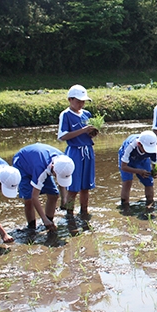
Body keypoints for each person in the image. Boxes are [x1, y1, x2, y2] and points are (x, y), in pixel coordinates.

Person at [12, 143, 75, 231]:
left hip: (39, 161)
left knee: (54, 195)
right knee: (29, 199)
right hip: (23, 164)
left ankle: (49, 222)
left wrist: (64, 198)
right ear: (53, 169)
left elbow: (62, 178)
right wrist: (43, 219)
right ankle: (31, 228)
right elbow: (35, 197)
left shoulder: (64, 161)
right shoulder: (41, 169)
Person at [57, 84, 98, 217]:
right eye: (78, 101)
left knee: (86, 186)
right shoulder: (66, 115)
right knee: (73, 186)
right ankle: (69, 213)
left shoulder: (87, 114)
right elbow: (62, 136)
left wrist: (92, 132)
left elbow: (88, 134)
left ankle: (84, 211)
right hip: (74, 152)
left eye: (83, 101)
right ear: (70, 99)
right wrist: (83, 130)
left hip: (88, 151)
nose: (81, 104)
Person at [118, 131, 157, 213]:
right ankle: (125, 207)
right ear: (139, 144)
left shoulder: (154, 151)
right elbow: (124, 167)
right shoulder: (130, 146)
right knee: (127, 181)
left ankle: (150, 206)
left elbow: (155, 166)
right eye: (146, 149)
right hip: (127, 161)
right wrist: (138, 171)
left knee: (149, 182)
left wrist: (154, 172)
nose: (148, 152)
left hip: (142, 160)